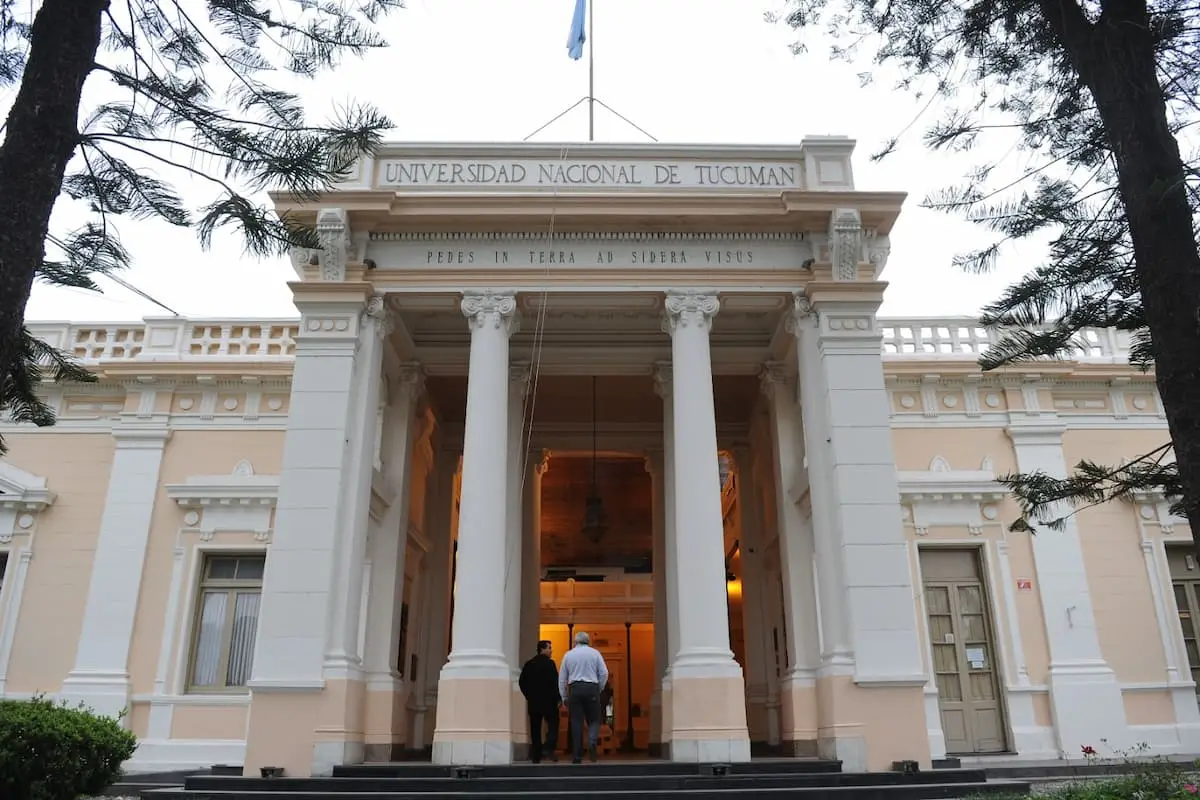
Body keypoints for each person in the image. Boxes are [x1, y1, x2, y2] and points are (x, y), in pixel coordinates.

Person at [558, 630, 609, 763]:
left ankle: (577, 755)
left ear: (575, 642)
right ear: (588, 641)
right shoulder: (595, 653)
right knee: (594, 719)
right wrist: (599, 688)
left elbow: (562, 678)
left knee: (576, 722)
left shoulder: (569, 655)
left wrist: (564, 696)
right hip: (592, 687)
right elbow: (604, 673)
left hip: (575, 688)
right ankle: (592, 740)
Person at [518, 640, 561, 763]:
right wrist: (558, 698)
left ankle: (536, 756)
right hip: (549, 702)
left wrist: (529, 695)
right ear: (542, 649)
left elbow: (522, 682)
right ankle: (548, 746)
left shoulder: (529, 664)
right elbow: (554, 682)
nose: (551, 650)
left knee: (535, 729)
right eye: (549, 648)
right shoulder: (550, 664)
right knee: (553, 725)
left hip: (534, 702)